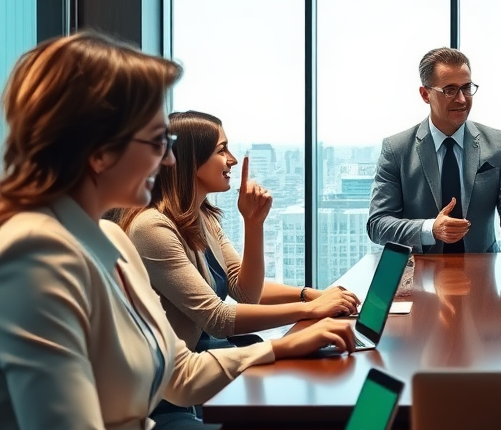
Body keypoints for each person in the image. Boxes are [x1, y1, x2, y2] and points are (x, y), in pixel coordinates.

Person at [0, 33, 368, 430]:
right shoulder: (35, 255)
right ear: (99, 152)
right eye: (157, 143)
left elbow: (180, 374)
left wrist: (280, 347)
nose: (169, 161)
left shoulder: (108, 240)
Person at [120, 110, 359, 354]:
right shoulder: (152, 228)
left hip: (205, 352)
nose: (231, 160)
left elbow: (245, 292)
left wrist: (254, 224)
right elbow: (217, 318)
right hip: (176, 373)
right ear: (192, 159)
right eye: (221, 150)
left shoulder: (202, 217)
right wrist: (311, 308)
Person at [366, 47, 501, 253]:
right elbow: (377, 225)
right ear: (425, 94)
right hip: (420, 274)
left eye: (466, 88)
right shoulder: (396, 149)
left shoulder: (499, 144)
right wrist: (430, 229)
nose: (462, 99)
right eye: (450, 90)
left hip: (483, 273)